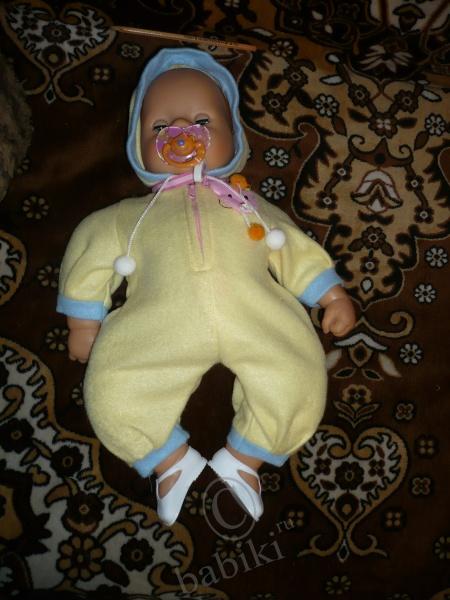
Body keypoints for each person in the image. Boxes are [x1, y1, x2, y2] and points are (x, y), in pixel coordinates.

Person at [57, 48, 355, 526]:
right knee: (111, 388)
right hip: (159, 323)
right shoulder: (128, 218)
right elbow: (89, 254)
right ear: (137, 146)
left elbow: (292, 248)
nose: (181, 129)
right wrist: (83, 321)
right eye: (160, 126)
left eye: (201, 120)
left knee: (298, 372)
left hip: (258, 313)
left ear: (234, 137)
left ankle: (246, 458)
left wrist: (330, 294)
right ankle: (170, 462)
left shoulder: (247, 204)